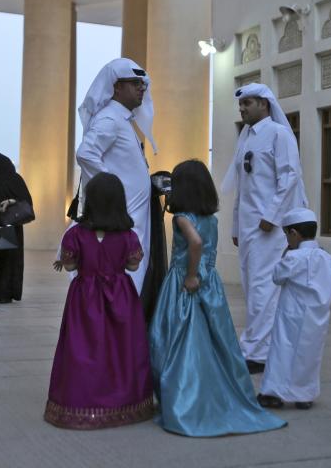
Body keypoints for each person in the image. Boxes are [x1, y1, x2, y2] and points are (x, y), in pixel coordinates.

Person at [149, 160, 286, 437]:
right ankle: (220, 392)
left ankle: (184, 399)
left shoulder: (181, 218)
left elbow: (195, 243)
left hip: (184, 283)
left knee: (173, 341)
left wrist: (190, 275)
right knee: (215, 340)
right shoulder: (211, 219)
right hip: (211, 284)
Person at [44, 172, 154, 430]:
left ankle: (81, 402)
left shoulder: (75, 235)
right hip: (120, 296)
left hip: (85, 296)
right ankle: (125, 403)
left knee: (83, 347)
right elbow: (133, 265)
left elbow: (70, 262)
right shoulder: (128, 236)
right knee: (121, 347)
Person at [221, 83, 308, 374]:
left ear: (264, 104)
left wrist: (272, 216)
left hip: (268, 228)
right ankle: (261, 345)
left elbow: (289, 177)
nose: (242, 108)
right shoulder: (246, 137)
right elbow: (242, 187)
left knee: (262, 288)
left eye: (248, 103)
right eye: (241, 104)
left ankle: (256, 352)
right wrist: (235, 224)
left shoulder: (279, 134)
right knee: (252, 288)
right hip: (248, 227)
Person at [75, 58, 156, 297]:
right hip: (122, 219)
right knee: (122, 285)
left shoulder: (121, 120)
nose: (141, 88)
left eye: (142, 84)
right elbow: (86, 154)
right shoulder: (110, 118)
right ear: (116, 87)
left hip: (132, 219)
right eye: (134, 83)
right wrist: (110, 193)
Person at [258, 208, 331, 410]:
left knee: (282, 352)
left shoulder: (293, 257)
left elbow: (277, 277)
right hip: (317, 316)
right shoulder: (327, 258)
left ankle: (272, 393)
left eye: (286, 235)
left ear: (293, 233)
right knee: (309, 354)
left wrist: (286, 254)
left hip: (292, 314)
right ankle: (305, 394)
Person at [0, 152, 33, 303]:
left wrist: (10, 201)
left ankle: (2, 293)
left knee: (5, 260)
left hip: (7, 227)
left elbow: (26, 201)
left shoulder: (14, 180)